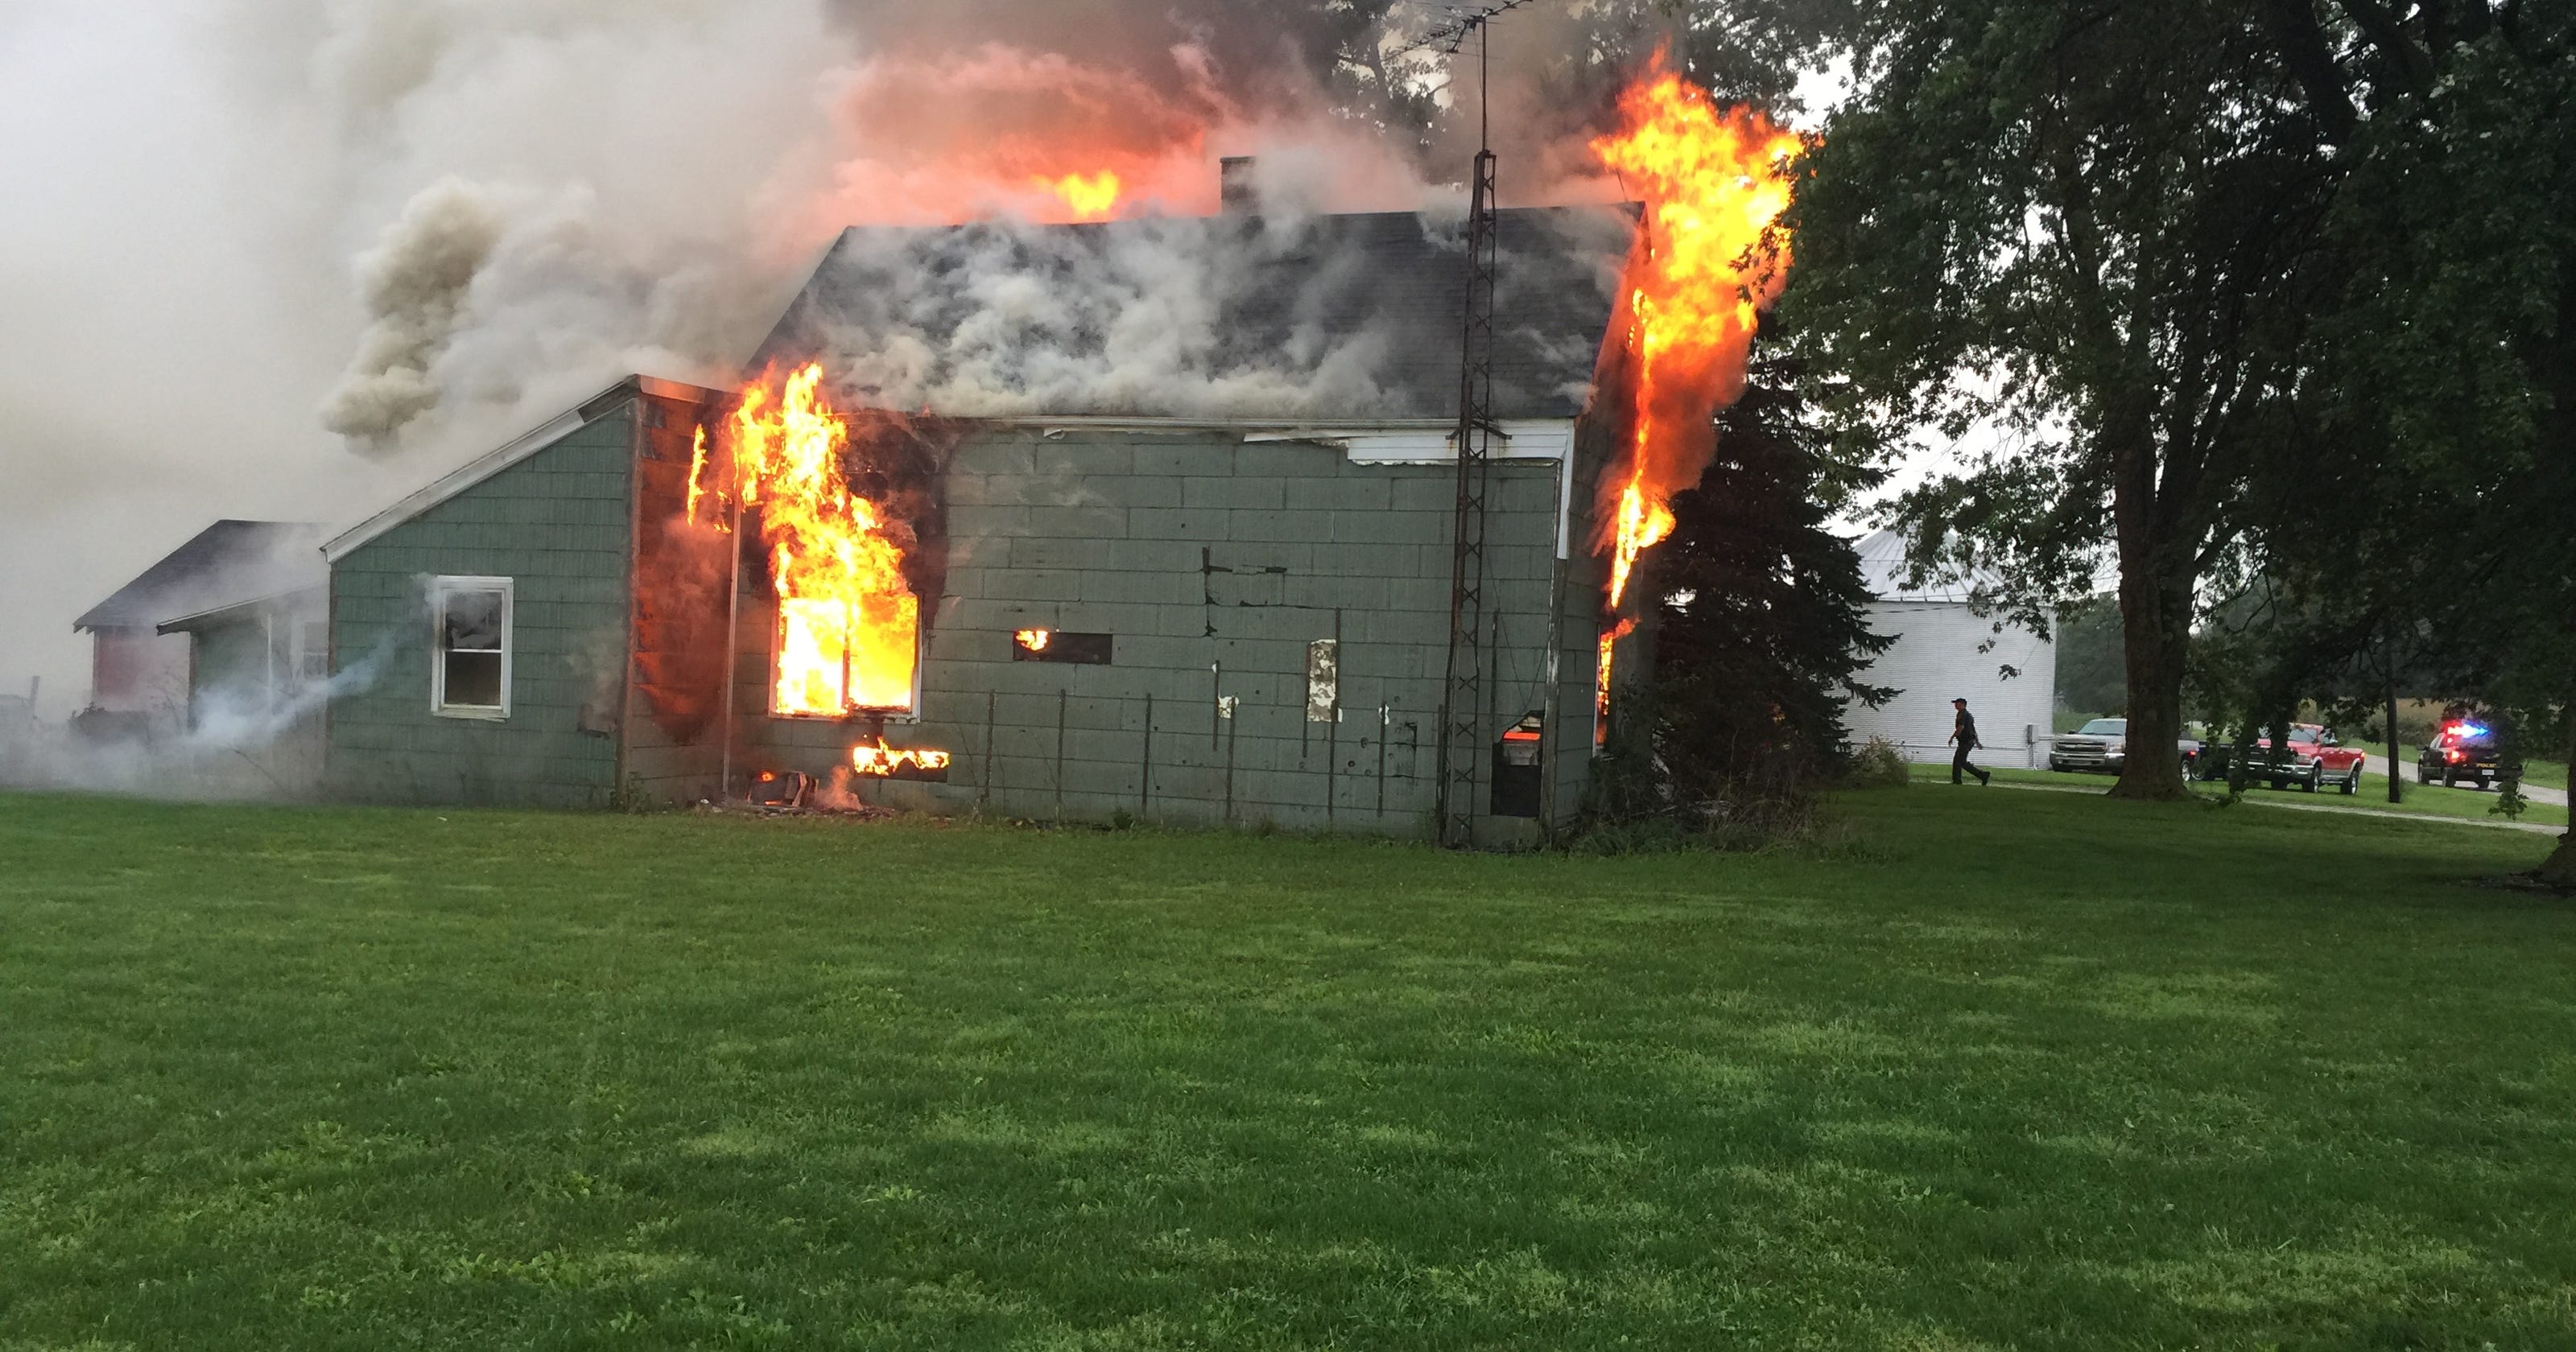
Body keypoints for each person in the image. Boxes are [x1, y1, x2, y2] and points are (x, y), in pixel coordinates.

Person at [1946, 696, 1991, 785]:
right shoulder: (1964, 714)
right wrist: (1977, 742)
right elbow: (1973, 730)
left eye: (1957, 703)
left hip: (1966, 741)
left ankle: (1982, 775)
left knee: (1961, 761)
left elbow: (1961, 727)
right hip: (1966, 741)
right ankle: (1957, 780)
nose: (1955, 705)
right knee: (1958, 761)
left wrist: (1952, 737)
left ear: (1962, 704)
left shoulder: (1964, 715)